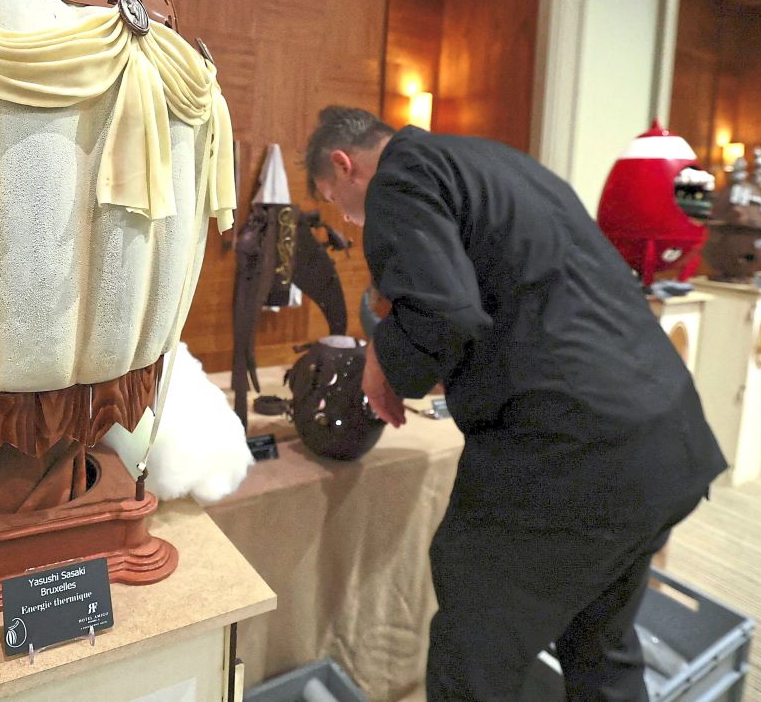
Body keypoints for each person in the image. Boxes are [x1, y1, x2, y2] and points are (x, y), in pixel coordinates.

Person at [304, 107, 727, 702]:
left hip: (575, 450)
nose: (348, 218)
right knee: (600, 643)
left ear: (345, 166)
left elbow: (442, 315)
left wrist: (383, 355)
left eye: (336, 201)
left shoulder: (402, 174)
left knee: (472, 652)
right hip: (665, 433)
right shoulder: (502, 162)